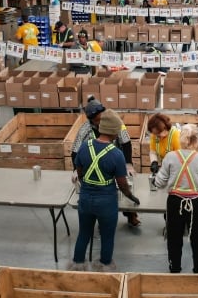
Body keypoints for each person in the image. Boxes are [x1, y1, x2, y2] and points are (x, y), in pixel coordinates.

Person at [69, 110, 140, 272]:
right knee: (107, 237)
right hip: (106, 202)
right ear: (114, 131)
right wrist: (131, 197)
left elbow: (79, 173)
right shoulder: (117, 154)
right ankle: (104, 267)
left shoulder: (85, 147)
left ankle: (77, 267)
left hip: (85, 200)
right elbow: (122, 184)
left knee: (84, 234)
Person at [152, 123, 198, 274]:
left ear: (180, 139)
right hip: (196, 204)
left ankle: (174, 269)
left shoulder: (170, 157)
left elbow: (159, 182)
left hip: (174, 203)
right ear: (196, 141)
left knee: (174, 239)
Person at [70, 97, 140, 227]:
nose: (100, 123)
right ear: (90, 120)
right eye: (97, 121)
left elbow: (126, 142)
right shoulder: (84, 129)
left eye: (102, 118)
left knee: (127, 184)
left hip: (116, 158)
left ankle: (131, 214)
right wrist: (75, 169)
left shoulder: (115, 122)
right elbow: (75, 151)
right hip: (96, 164)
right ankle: (98, 215)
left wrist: (128, 164)